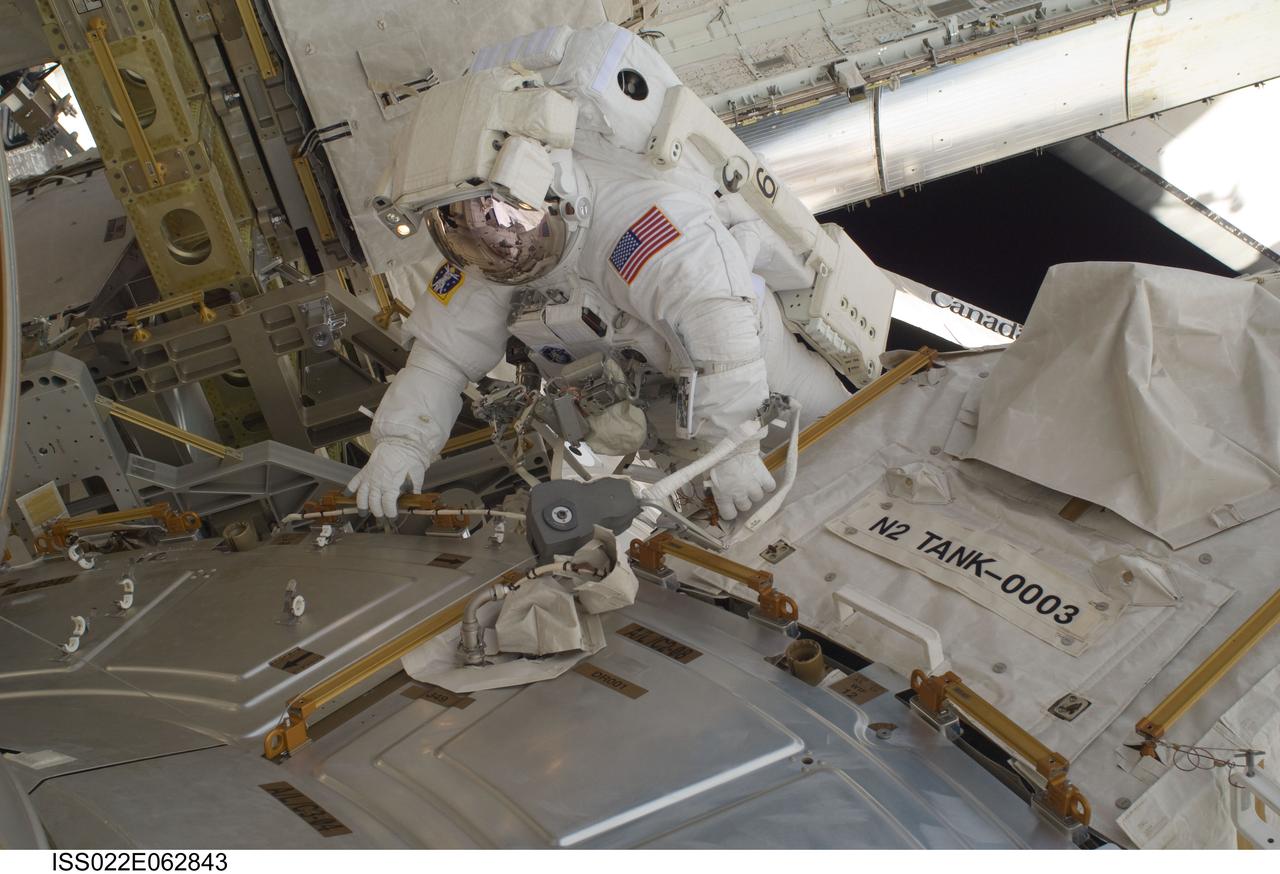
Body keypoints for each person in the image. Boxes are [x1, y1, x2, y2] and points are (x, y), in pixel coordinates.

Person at [349, 24, 849, 522]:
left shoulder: (634, 223)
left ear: (546, 187)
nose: (494, 240)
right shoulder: (490, 262)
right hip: (682, 435)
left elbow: (716, 319)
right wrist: (401, 444)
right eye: (459, 223)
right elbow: (440, 359)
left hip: (770, 392)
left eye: (500, 216)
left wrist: (733, 445)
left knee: (853, 442)